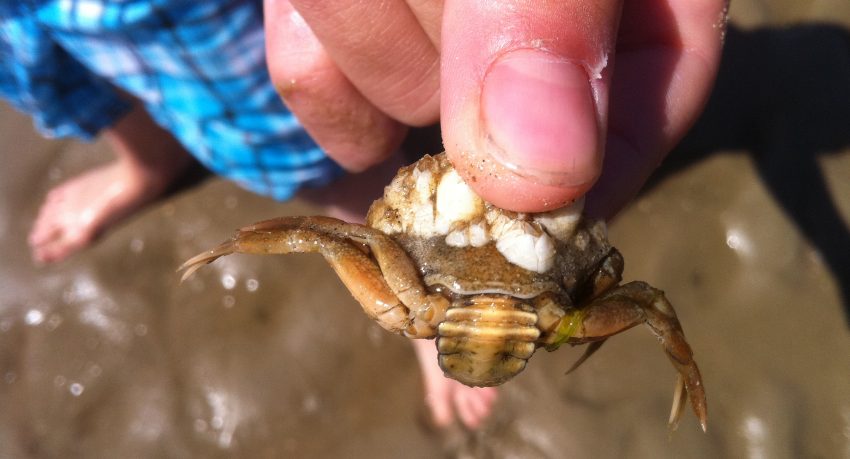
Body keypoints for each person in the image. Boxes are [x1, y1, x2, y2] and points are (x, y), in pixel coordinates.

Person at [2, 0, 726, 430]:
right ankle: (146, 161)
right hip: (503, 313)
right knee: (62, 61)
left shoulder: (423, 299)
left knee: (327, 192)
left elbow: (332, 237)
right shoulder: (551, 317)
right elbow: (646, 302)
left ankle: (165, 173)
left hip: (429, 306)